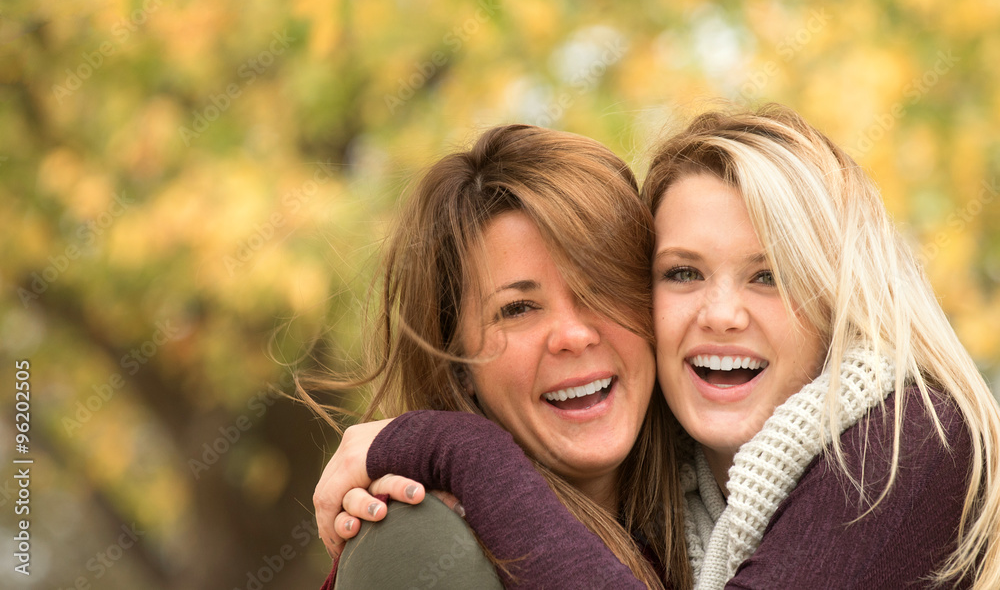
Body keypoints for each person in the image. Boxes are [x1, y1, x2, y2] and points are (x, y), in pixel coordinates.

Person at [319, 105, 1000, 589]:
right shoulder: (423, 534)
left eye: (771, 274)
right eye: (682, 272)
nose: (722, 312)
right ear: (454, 355)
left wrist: (460, 449)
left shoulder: (908, 444)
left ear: (838, 300)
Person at [298, 124, 691, 589]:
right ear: (456, 362)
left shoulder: (709, 518)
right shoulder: (419, 540)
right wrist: (466, 451)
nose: (573, 335)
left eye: (600, 288)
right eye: (517, 309)